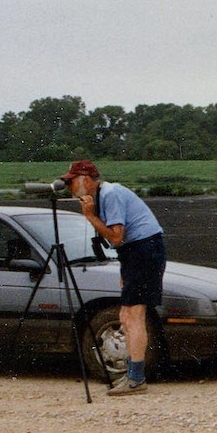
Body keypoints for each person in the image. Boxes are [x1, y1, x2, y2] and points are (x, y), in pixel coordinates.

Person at [61, 159, 165, 397]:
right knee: (125, 315)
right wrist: (124, 270)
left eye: (71, 181)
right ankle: (133, 375)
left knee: (133, 315)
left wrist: (89, 216)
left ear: (86, 180)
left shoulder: (110, 194)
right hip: (137, 251)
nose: (68, 187)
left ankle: (136, 378)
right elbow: (121, 243)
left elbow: (117, 237)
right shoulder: (104, 195)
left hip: (144, 249)